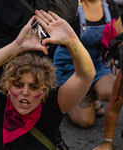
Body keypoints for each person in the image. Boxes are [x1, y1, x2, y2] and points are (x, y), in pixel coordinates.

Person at [0, 10, 95, 150]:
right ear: (8, 87)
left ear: (44, 92)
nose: (25, 92)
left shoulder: (53, 105)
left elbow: (85, 75)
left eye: (34, 87)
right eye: (18, 85)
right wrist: (17, 46)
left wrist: (72, 40)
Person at [52, 0, 123, 128]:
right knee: (86, 121)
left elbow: (119, 37)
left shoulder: (110, 5)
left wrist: (115, 54)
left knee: (114, 91)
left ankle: (90, 91)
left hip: (98, 63)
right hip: (71, 66)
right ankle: (70, 96)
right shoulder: (70, 6)